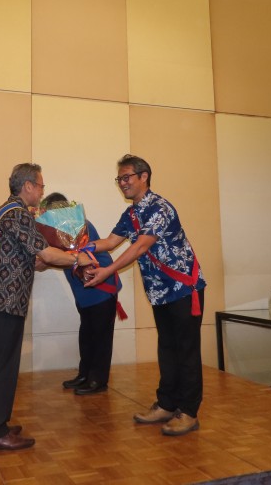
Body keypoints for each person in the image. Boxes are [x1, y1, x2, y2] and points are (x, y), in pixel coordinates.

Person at [84, 155, 206, 436]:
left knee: (186, 351)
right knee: (167, 348)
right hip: (160, 292)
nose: (122, 183)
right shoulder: (131, 214)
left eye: (127, 177)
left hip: (184, 289)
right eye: (119, 178)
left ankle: (188, 412)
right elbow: (110, 242)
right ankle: (166, 404)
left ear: (144, 177)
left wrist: (107, 271)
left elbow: (139, 247)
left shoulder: (160, 208)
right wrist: (80, 247)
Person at [0, 163, 91, 451]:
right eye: (40, 185)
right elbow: (47, 253)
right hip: (5, 303)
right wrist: (78, 258)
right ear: (27, 186)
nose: (42, 191)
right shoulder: (17, 214)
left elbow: (29, 256)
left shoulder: (5, 211)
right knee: (2, 368)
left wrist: (42, 260)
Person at [38, 192, 122, 396]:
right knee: (87, 336)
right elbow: (59, 258)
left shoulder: (79, 226)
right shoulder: (58, 232)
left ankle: (97, 380)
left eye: (46, 213)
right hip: (84, 294)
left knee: (100, 337)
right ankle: (84, 374)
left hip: (101, 289)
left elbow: (77, 256)